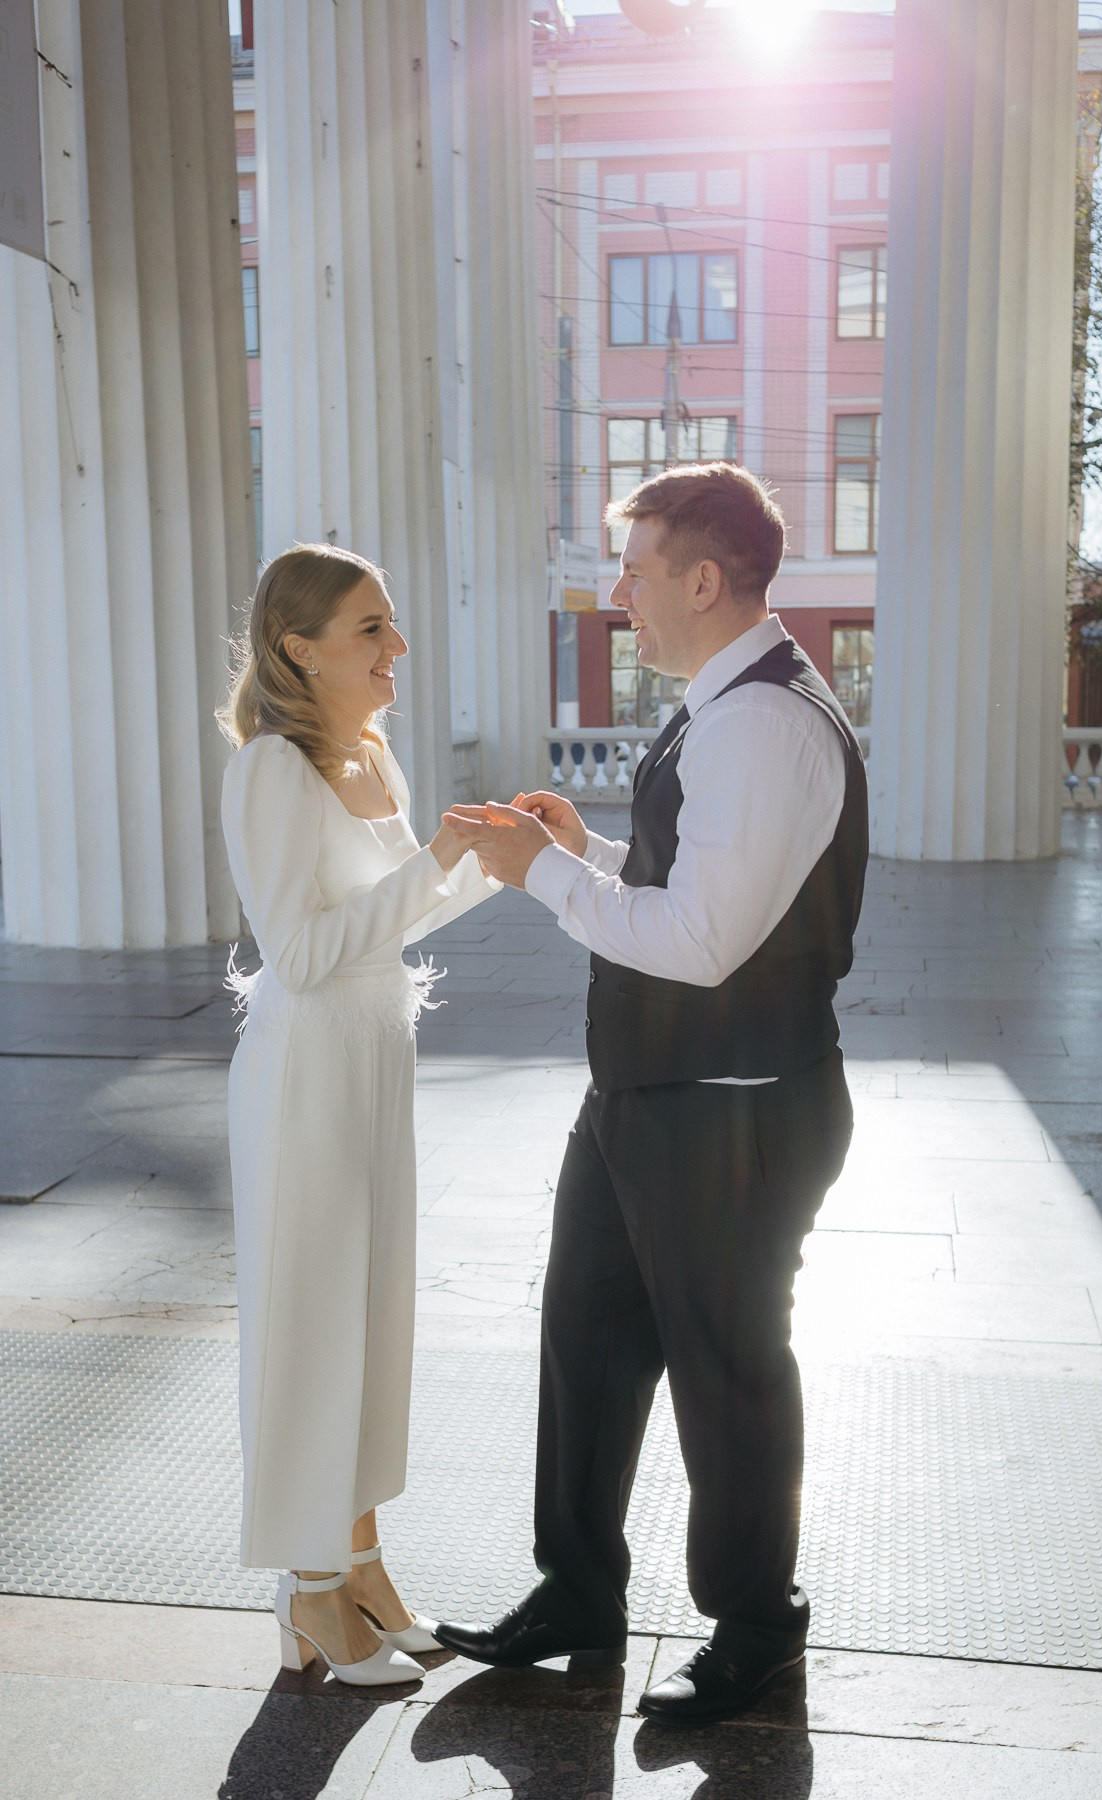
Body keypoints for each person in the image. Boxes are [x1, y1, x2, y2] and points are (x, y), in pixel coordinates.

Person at [434, 463, 867, 1722]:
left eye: (634, 568)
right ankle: (578, 1587)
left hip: (732, 1107)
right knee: (586, 1336)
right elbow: (690, 881)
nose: (616, 590)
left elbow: (705, 940)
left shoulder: (767, 723)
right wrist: (586, 854)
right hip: (652, 1096)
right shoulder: (721, 706)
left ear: (704, 577)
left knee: (726, 1367)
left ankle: (754, 1625)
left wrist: (542, 880)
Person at [217, 543, 498, 1687]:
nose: (397, 647)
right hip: (305, 1080)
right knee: (312, 1328)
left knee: (373, 1324)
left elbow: (392, 923)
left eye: (391, 623)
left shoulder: (370, 752)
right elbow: (301, 952)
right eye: (372, 628)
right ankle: (310, 1596)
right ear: (301, 648)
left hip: (376, 1060)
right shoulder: (274, 770)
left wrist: (484, 856)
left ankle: (364, 1565)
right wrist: (434, 855)